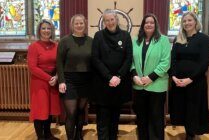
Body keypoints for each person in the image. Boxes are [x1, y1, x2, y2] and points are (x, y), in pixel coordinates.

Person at [169, 11, 209, 140]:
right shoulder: (178, 39)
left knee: (193, 108)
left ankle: (191, 134)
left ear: (195, 22)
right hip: (178, 81)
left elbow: (204, 62)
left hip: (195, 81)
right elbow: (173, 59)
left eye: (189, 20)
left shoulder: (203, 39)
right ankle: (188, 131)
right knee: (182, 107)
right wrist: (174, 77)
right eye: (184, 21)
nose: (187, 23)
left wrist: (190, 79)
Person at [91, 9, 132, 140]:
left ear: (117, 19)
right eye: (106, 20)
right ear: (104, 22)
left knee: (115, 118)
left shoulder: (126, 36)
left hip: (119, 83)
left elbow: (128, 58)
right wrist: (109, 76)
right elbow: (95, 59)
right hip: (103, 83)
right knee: (103, 118)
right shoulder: (98, 35)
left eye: (112, 19)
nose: (109, 22)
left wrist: (118, 76)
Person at [131, 13, 171, 140]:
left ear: (156, 25)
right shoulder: (136, 41)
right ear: (143, 25)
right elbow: (130, 61)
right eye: (146, 22)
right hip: (139, 85)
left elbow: (165, 62)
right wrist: (134, 76)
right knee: (141, 117)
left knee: (156, 118)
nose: (148, 24)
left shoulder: (163, 40)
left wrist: (151, 77)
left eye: (151, 22)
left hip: (156, 85)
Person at [56, 14, 93, 140]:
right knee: (71, 113)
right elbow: (59, 62)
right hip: (69, 81)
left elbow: (94, 61)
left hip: (86, 80)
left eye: (81, 23)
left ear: (85, 24)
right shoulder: (64, 41)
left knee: (81, 110)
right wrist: (61, 81)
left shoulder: (91, 41)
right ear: (72, 25)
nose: (79, 25)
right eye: (76, 23)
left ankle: (79, 136)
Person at [27, 19, 60, 140]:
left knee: (49, 109)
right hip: (39, 82)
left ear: (52, 31)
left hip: (52, 81)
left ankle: (48, 134)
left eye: (49, 28)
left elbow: (59, 64)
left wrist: (56, 77)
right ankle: (40, 137)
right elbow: (32, 68)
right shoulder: (33, 47)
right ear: (39, 31)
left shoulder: (56, 45)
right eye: (43, 28)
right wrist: (49, 78)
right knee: (40, 109)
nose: (46, 31)